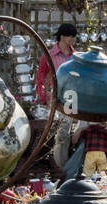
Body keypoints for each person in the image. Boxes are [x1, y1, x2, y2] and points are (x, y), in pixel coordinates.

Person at [35, 24, 78, 169]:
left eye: (73, 36)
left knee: (66, 132)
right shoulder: (49, 54)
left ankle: (63, 167)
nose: (72, 39)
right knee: (52, 133)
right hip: (54, 96)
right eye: (69, 36)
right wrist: (43, 96)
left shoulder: (75, 56)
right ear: (62, 36)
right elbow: (40, 77)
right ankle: (56, 166)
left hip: (71, 97)